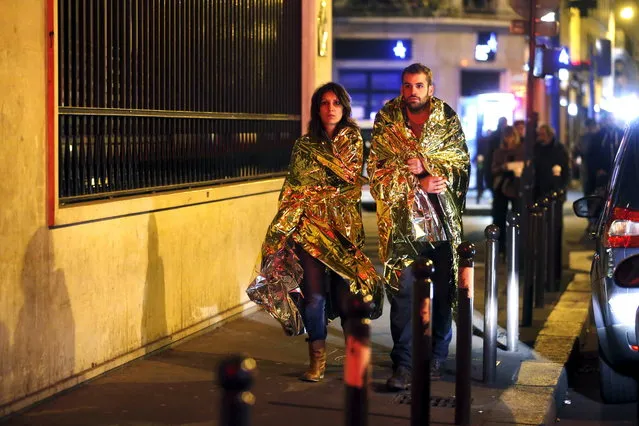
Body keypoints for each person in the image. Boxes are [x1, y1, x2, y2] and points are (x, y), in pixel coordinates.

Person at [247, 82, 384, 382]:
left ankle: (354, 357)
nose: (330, 107)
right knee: (314, 298)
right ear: (317, 108)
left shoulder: (353, 142)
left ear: (344, 108)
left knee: (348, 296)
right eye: (324, 102)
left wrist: (313, 191)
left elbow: (346, 185)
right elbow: (294, 188)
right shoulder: (303, 146)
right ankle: (317, 359)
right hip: (308, 231)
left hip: (344, 234)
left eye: (336, 102)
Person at [367, 63, 470, 390]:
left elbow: (461, 164)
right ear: (402, 88)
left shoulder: (446, 119)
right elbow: (378, 173)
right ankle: (405, 364)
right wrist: (415, 179)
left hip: (441, 224)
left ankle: (438, 354)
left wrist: (431, 170)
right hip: (402, 228)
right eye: (408, 86)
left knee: (442, 293)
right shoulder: (387, 120)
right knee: (403, 296)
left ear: (430, 88)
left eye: (419, 86)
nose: (413, 91)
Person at [491, 126, 524, 255]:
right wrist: (503, 167)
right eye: (506, 136)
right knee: (499, 217)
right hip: (501, 186)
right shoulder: (499, 151)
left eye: (510, 136)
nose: (508, 139)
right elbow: (493, 169)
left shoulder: (521, 150)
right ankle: (500, 248)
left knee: (517, 216)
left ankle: (516, 246)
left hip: (516, 187)